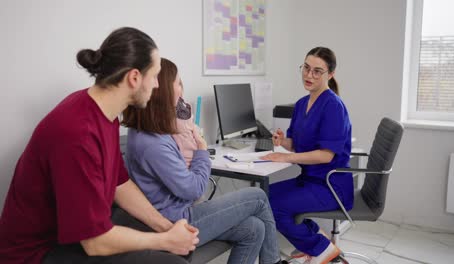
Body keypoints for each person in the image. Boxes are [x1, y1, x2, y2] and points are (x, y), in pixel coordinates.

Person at [0, 27, 198, 264]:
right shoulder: (76, 132)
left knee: (174, 247)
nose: (157, 85)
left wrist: (165, 227)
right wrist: (165, 241)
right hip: (38, 253)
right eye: (154, 76)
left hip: (73, 235)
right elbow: (95, 242)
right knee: (171, 261)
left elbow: (119, 183)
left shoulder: (105, 113)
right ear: (134, 78)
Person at [121, 57, 288, 264]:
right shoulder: (151, 144)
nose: (182, 90)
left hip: (179, 210)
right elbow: (195, 189)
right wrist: (201, 148)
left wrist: (188, 129)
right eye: (178, 83)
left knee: (254, 228)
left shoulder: (155, 131)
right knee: (258, 196)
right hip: (176, 220)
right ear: (162, 90)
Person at [261, 47, 353, 264]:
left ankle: (322, 251)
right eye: (306, 68)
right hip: (309, 181)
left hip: (331, 186)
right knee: (261, 197)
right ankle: (319, 243)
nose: (309, 75)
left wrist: (285, 158)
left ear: (330, 74)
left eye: (317, 71)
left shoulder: (333, 106)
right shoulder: (302, 103)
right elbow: (296, 145)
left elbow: (325, 156)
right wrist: (283, 142)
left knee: (275, 206)